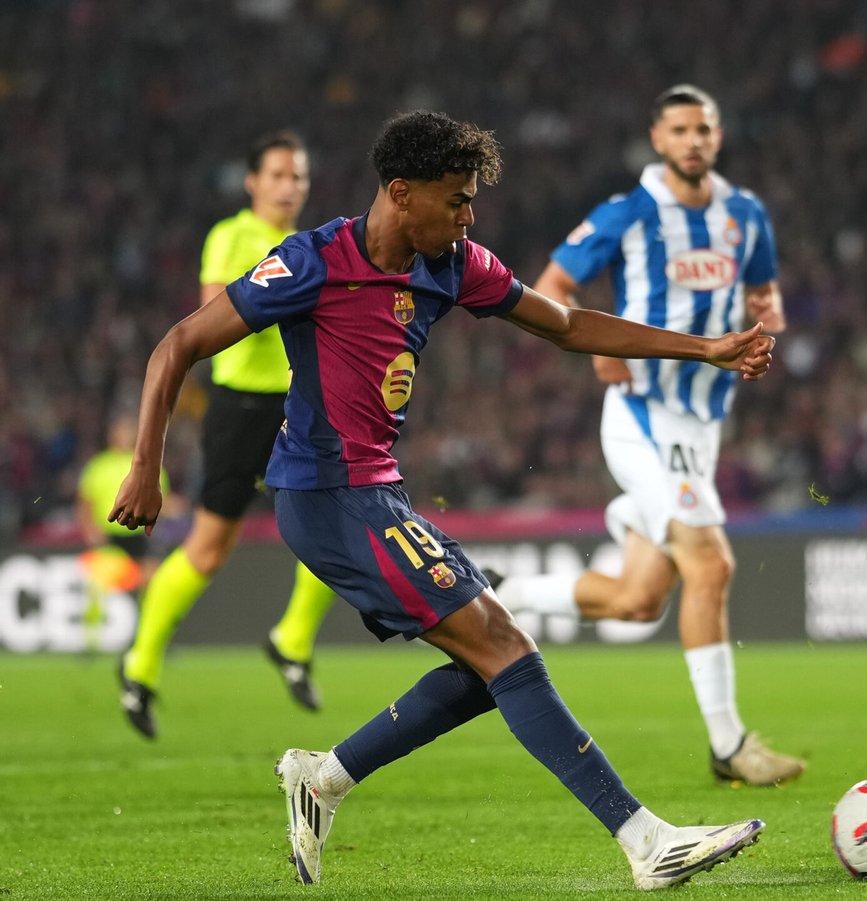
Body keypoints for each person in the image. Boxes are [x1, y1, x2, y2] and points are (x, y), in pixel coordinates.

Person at [109, 110, 775, 890]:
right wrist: (145, 466)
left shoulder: (450, 262)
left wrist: (707, 348)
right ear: (401, 193)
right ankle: (645, 840)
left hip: (378, 492)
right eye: (456, 198)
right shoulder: (314, 261)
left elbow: (564, 324)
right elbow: (177, 345)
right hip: (326, 495)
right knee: (507, 651)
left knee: (491, 663)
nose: (469, 215)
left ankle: (325, 777)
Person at [493, 85, 804, 787]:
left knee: (640, 598)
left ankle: (509, 592)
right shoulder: (628, 213)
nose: (694, 140)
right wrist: (593, 344)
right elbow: (549, 287)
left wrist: (765, 325)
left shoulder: (746, 215)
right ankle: (729, 745)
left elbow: (765, 298)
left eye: (705, 128)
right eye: (680, 129)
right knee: (712, 564)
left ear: (716, 137)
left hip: (702, 426)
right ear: (658, 139)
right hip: (641, 414)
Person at [118, 130, 340, 739]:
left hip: (299, 403)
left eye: (298, 176)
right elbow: (220, 313)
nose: (289, 186)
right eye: (278, 175)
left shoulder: (308, 243)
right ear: (253, 182)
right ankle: (140, 665)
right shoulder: (232, 236)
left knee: (336, 521)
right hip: (241, 407)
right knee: (211, 548)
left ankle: (291, 641)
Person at [78, 414, 169, 652]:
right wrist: (90, 529)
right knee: (98, 587)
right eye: (122, 431)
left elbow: (162, 500)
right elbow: (85, 501)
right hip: (109, 533)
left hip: (139, 533)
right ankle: (90, 641)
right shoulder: (99, 465)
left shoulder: (147, 463)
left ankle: (149, 639)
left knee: (152, 585)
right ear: (112, 436)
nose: (125, 436)